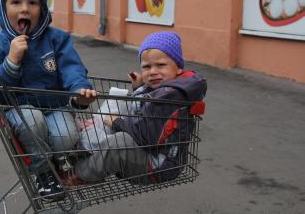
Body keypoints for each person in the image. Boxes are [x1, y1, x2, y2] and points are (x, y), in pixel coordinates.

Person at [0, 0, 97, 201]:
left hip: (54, 105)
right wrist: (11, 61)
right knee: (31, 120)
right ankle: (44, 172)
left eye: (32, 2)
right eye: (16, 2)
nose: (24, 8)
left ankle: (55, 157)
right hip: (20, 108)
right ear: (4, 8)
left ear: (42, 7)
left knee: (65, 136)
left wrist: (79, 92)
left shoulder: (57, 39)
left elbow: (72, 68)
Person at [67, 31, 207, 185]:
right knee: (121, 105)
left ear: (178, 67)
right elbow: (149, 108)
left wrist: (116, 122)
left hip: (158, 166)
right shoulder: (171, 88)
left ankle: (79, 174)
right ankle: (90, 143)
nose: (153, 72)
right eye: (146, 67)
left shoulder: (172, 95)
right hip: (150, 153)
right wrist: (140, 87)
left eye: (160, 65)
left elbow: (147, 135)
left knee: (120, 142)